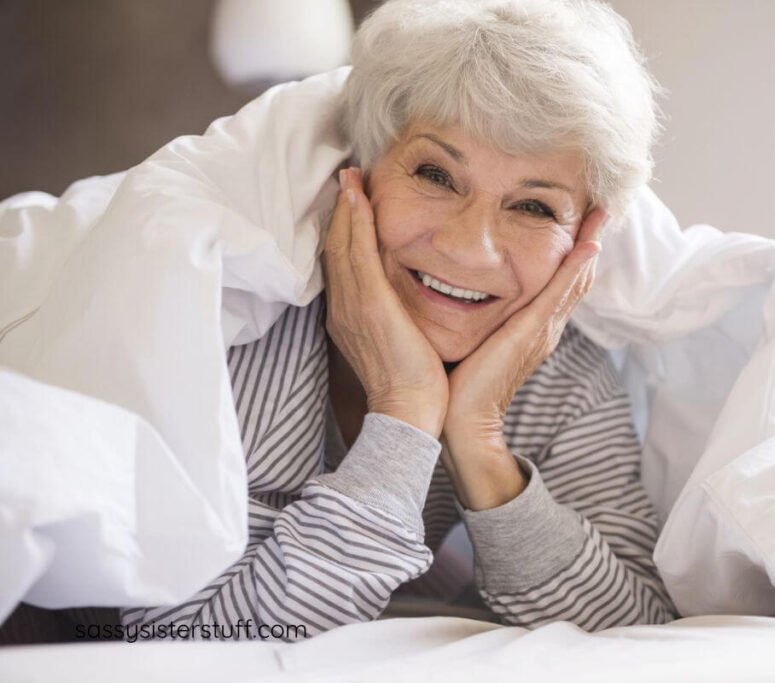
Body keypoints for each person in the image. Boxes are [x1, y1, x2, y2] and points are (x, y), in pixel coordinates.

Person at [122, 0, 678, 639]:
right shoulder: (243, 326)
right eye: (437, 174)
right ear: (357, 175)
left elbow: (638, 632)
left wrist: (479, 436)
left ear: (583, 240)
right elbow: (178, 645)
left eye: (533, 207)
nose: (472, 247)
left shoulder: (562, 372)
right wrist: (405, 414)